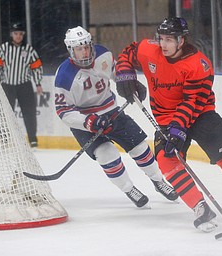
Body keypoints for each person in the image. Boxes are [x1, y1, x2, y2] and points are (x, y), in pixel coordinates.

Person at [115, 17, 222, 232]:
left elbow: (192, 102)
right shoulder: (150, 50)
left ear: (181, 40)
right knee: (166, 161)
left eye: (169, 40)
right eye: (161, 39)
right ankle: (200, 207)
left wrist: (179, 129)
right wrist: (125, 74)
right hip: (166, 119)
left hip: (200, 113)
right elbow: (129, 52)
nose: (163, 44)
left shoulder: (199, 65)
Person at [53, 26, 178, 208]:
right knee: (107, 154)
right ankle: (129, 188)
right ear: (71, 50)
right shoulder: (64, 76)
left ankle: (158, 181)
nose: (85, 52)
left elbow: (116, 73)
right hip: (86, 122)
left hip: (112, 112)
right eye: (79, 49)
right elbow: (64, 111)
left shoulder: (103, 54)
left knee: (139, 147)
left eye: (86, 46)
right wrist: (89, 122)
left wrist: (129, 83)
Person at [0, 22, 43, 148]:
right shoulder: (4, 48)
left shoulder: (29, 50)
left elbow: (36, 67)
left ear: (23, 35)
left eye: (20, 34)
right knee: (6, 114)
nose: (18, 36)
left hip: (24, 85)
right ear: (11, 34)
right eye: (16, 33)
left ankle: (32, 139)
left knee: (29, 113)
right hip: (7, 86)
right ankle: (4, 139)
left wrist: (37, 83)